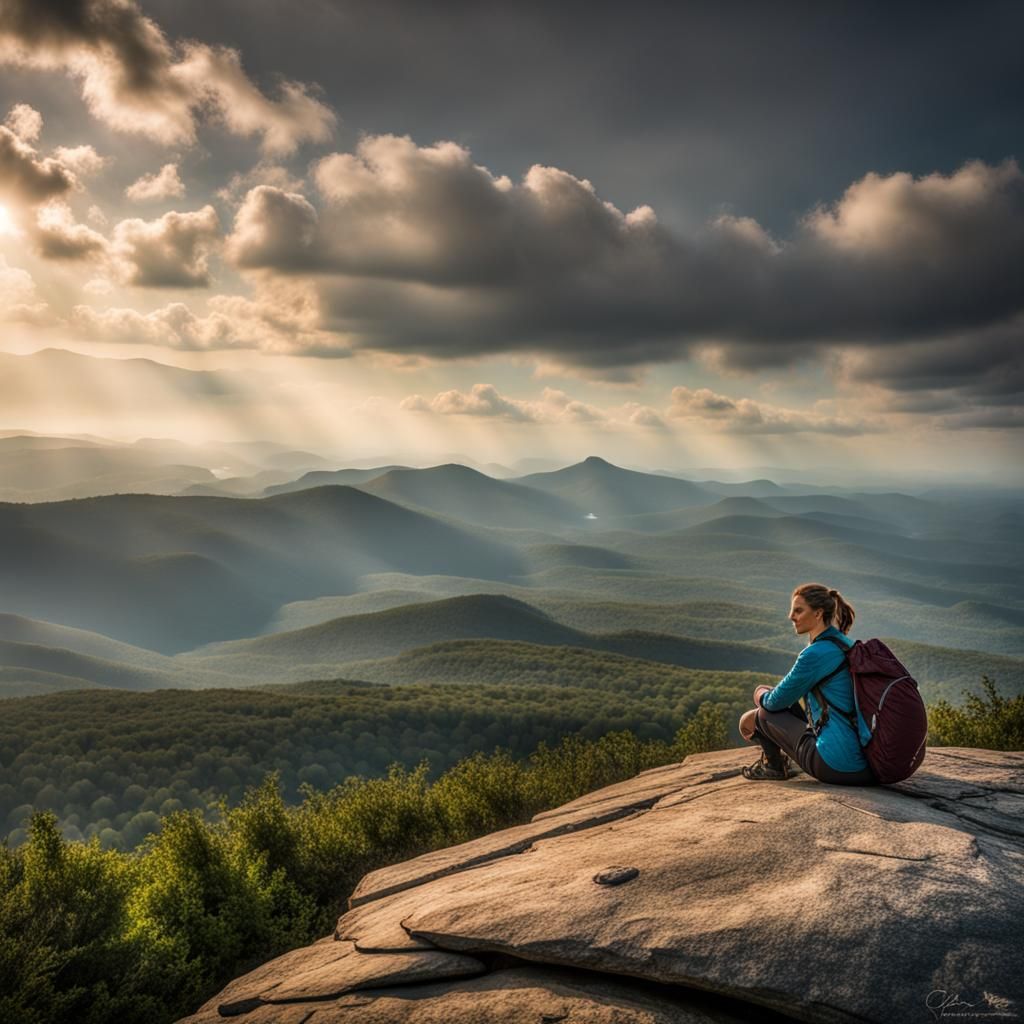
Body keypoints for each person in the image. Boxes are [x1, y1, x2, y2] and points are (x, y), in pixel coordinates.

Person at [738, 582, 876, 785]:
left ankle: (773, 766)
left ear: (818, 613)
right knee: (775, 704)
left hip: (835, 764)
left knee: (756, 717)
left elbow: (773, 704)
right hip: (863, 761)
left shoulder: (815, 654)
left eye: (798, 610)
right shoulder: (845, 644)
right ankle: (778, 763)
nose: (791, 616)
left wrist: (759, 693)